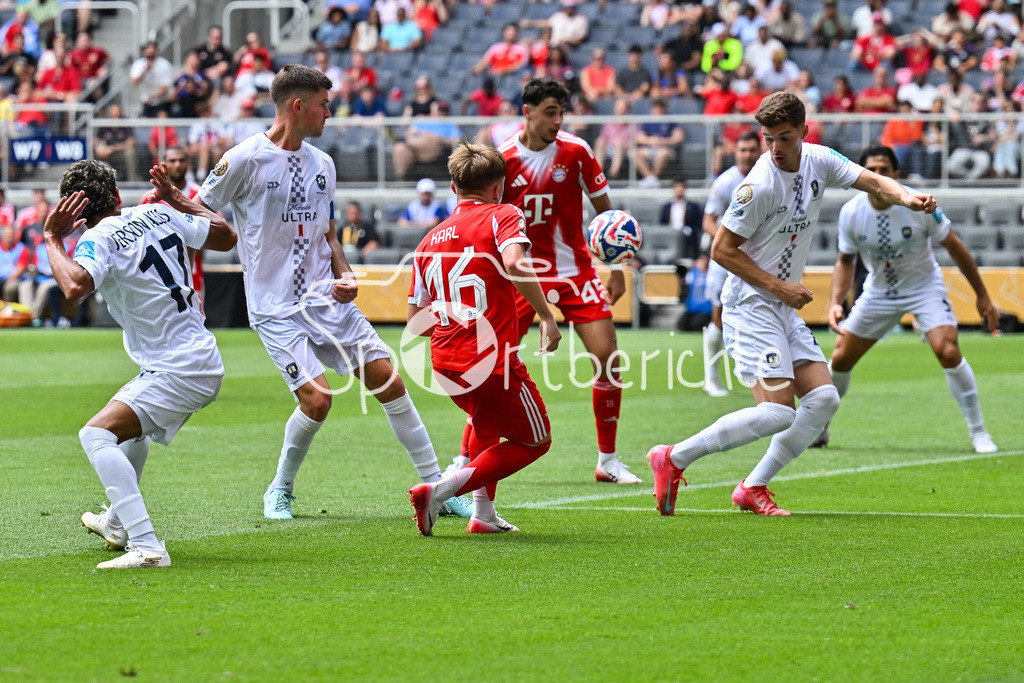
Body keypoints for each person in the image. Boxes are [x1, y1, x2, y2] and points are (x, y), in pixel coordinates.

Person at [196, 64, 469, 520]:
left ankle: (438, 488)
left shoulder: (323, 163)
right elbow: (198, 209)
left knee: (391, 383)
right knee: (318, 401)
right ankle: (279, 488)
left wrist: (347, 274)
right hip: (276, 306)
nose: (330, 113)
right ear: (297, 106)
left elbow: (328, 232)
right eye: (324, 104)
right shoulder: (244, 158)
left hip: (327, 300)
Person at [646, 92, 938, 516]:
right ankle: (672, 457)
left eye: (784, 137)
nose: (775, 148)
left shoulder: (819, 159)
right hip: (749, 304)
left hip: (780, 306)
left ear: (804, 131)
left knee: (824, 400)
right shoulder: (758, 186)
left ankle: (753, 486)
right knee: (778, 414)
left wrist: (907, 198)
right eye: (768, 139)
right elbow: (723, 251)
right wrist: (780, 287)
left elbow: (874, 182)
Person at [50, 159, 237, 568]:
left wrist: (52, 237)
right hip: (197, 355)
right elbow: (227, 237)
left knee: (95, 436)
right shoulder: (158, 211)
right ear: (116, 195)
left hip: (178, 368)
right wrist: (177, 199)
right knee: (130, 433)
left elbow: (74, 287)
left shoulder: (97, 238)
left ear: (75, 211)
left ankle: (148, 547)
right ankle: (116, 523)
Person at [406, 142, 561, 536]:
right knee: (536, 439)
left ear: (453, 187)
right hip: (489, 357)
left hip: (444, 361)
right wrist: (545, 315)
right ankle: (439, 491)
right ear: (498, 187)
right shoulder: (503, 213)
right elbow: (514, 261)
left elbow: (417, 322)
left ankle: (483, 515)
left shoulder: (428, 241)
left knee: (484, 424)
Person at [497, 77, 640, 485]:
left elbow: (606, 215)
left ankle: (608, 460)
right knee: (495, 366)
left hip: (576, 270)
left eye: (561, 112)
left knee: (607, 358)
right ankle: (464, 458)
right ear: (526, 112)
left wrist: (616, 267)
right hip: (524, 276)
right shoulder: (503, 157)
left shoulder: (576, 151)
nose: (558, 120)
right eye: (549, 112)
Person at [813, 145, 998, 453]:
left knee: (948, 351)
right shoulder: (851, 212)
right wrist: (835, 301)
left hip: (924, 287)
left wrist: (983, 296)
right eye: (873, 170)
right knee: (841, 358)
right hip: (879, 291)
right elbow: (845, 260)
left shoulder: (921, 204)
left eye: (885, 170)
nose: (880, 175)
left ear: (896, 174)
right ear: (861, 175)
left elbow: (955, 247)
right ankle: (819, 428)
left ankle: (979, 432)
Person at [700, 130, 761, 399]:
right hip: (725, 260)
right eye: (742, 150)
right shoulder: (726, 183)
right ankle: (711, 377)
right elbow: (708, 220)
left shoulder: (768, 178)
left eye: (751, 149)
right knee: (719, 318)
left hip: (757, 259)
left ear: (760, 151)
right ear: (735, 152)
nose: (747, 155)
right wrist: (728, 243)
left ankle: (762, 377)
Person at [634, 98, 683, 188]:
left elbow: (679, 137)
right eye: (656, 107)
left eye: (660, 107)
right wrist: (651, 140)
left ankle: (651, 179)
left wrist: (664, 141)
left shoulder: (670, 121)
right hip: (650, 148)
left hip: (666, 148)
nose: (658, 110)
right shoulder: (648, 121)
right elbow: (639, 138)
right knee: (633, 153)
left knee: (663, 153)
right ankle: (651, 179)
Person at [659, 178, 701, 258]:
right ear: (673, 189)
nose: (679, 190)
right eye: (677, 187)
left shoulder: (693, 206)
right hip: (670, 234)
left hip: (686, 236)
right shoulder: (666, 207)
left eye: (681, 187)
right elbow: (662, 223)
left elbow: (698, 224)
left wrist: (688, 230)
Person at [130, 41, 174, 117]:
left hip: (161, 101)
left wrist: (152, 97)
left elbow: (165, 86)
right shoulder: (138, 64)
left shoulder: (164, 64)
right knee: (144, 120)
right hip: (146, 100)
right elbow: (134, 81)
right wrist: (145, 69)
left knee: (162, 117)